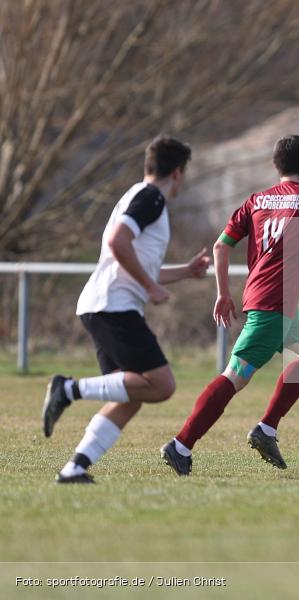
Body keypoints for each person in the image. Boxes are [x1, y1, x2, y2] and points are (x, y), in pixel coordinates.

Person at [161, 135, 299, 475]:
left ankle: (267, 429)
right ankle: (181, 445)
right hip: (273, 306)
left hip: (273, 302)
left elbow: (221, 247)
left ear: (276, 166)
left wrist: (223, 293)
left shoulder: (257, 200)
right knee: (234, 376)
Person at [43, 135, 207, 484]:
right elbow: (118, 242)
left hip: (103, 305)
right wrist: (150, 288)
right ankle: (67, 389)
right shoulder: (152, 198)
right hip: (113, 307)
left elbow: (135, 260)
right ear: (177, 173)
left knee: (131, 395)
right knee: (161, 385)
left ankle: (74, 468)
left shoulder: (137, 195)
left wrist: (185, 272)